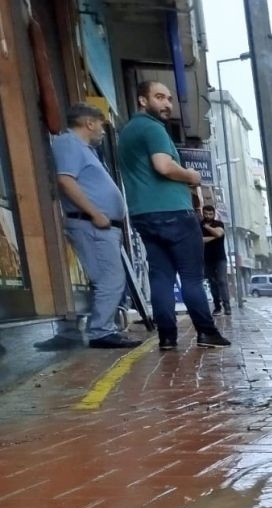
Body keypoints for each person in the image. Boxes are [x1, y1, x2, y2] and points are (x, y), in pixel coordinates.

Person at [117, 81, 230, 350]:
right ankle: (206, 332)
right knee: (191, 276)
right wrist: (191, 176)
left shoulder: (127, 132)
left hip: (143, 214)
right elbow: (163, 166)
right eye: (159, 97)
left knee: (161, 276)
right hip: (174, 213)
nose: (167, 104)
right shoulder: (153, 129)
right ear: (142, 100)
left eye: (169, 98)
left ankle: (167, 338)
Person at [36, 103, 141, 351]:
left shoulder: (84, 149)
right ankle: (102, 332)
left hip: (99, 225)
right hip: (92, 224)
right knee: (111, 278)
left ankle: (103, 329)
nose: (103, 131)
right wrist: (95, 213)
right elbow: (65, 180)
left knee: (108, 278)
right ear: (89, 123)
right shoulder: (69, 143)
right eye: (102, 125)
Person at [201, 205, 230, 315]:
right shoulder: (199, 225)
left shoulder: (219, 224)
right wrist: (214, 237)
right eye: (206, 214)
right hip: (207, 259)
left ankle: (227, 307)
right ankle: (217, 307)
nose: (208, 216)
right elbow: (200, 240)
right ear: (203, 213)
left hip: (220, 258)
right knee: (212, 283)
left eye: (210, 214)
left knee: (222, 281)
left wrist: (207, 228)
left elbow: (219, 233)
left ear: (214, 214)